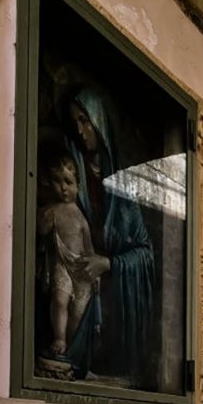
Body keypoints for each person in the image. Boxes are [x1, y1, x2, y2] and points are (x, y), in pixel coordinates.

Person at [61, 88, 155, 386]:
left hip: (113, 303)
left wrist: (109, 263)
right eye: (75, 122)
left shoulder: (123, 189)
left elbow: (145, 252)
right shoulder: (72, 172)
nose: (80, 130)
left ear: (99, 122)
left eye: (85, 121)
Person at [37, 151, 96, 358]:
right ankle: (59, 338)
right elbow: (40, 230)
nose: (63, 188)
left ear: (78, 186)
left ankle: (71, 344)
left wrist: (93, 268)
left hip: (80, 267)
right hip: (62, 263)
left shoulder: (81, 217)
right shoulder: (52, 210)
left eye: (68, 182)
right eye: (57, 181)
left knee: (78, 310)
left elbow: (88, 247)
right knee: (60, 300)